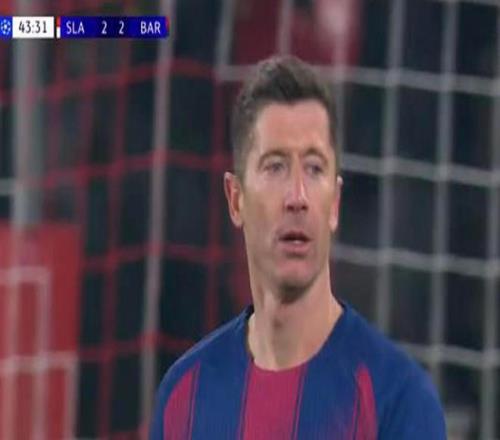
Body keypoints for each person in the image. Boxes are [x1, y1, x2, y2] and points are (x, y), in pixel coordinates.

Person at [150, 55, 446, 439]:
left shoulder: (398, 398)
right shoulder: (185, 395)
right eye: (275, 166)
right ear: (236, 200)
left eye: (314, 168)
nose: (297, 197)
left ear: (334, 203)